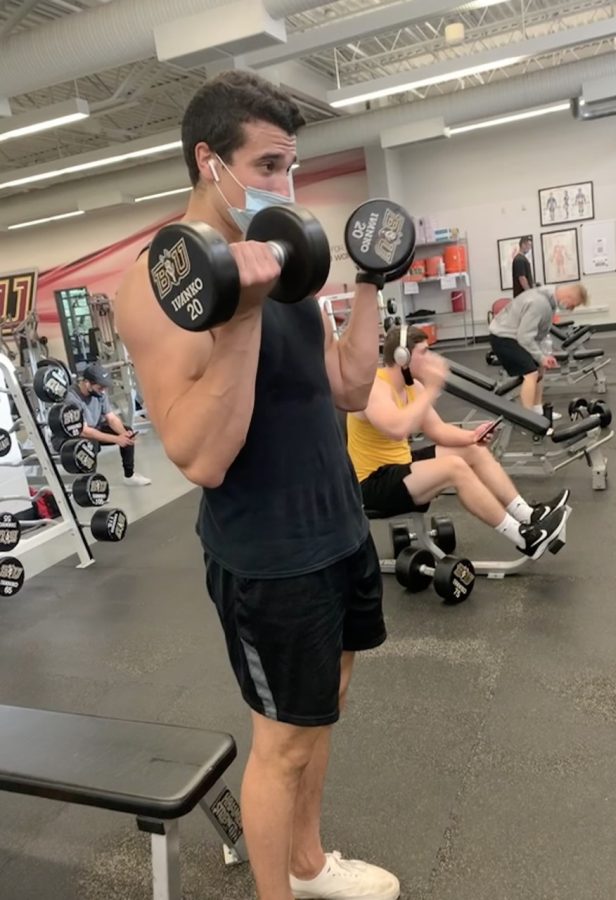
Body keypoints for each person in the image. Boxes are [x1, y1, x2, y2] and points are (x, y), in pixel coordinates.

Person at [113, 71, 399, 900]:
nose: (285, 187)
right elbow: (198, 457)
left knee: (320, 712)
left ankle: (307, 865)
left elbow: (346, 386)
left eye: (291, 166)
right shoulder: (160, 285)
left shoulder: (288, 262)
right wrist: (239, 316)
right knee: (280, 742)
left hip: (336, 525)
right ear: (211, 162)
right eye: (269, 166)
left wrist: (373, 280)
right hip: (268, 556)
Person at [347, 326, 570, 560]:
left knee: (473, 450)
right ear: (402, 356)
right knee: (455, 467)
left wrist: (472, 436)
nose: (432, 359)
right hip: (370, 484)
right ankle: (525, 538)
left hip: (400, 467)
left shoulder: (414, 388)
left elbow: (439, 430)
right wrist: (432, 388)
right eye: (424, 353)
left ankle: (527, 516)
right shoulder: (374, 387)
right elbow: (396, 428)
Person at [489, 283, 588, 416]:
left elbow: (538, 334)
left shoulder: (549, 299)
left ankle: (538, 411)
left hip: (515, 336)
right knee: (531, 374)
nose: (571, 309)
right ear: (568, 296)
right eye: (573, 304)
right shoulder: (539, 303)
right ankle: (529, 419)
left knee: (540, 369)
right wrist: (541, 357)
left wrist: (544, 356)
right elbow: (525, 337)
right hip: (503, 338)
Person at [64, 363, 151, 486]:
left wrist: (123, 434)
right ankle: (87, 483)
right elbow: (83, 430)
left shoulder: (99, 393)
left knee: (127, 431)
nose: (103, 391)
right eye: (100, 388)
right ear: (87, 383)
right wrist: (116, 439)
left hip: (93, 428)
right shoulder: (72, 398)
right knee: (90, 442)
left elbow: (111, 418)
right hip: (74, 434)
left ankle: (129, 476)